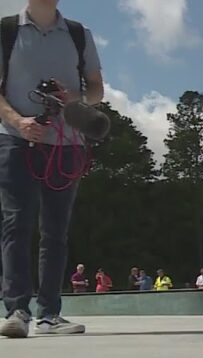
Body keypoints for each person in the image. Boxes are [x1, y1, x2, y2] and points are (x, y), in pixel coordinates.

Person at [0, 0, 103, 337]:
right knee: (17, 224)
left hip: (68, 143)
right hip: (16, 140)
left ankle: (49, 315)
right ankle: (16, 310)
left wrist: (73, 100)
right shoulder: (6, 30)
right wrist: (19, 120)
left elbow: (96, 88)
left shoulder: (78, 34)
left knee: (56, 231)